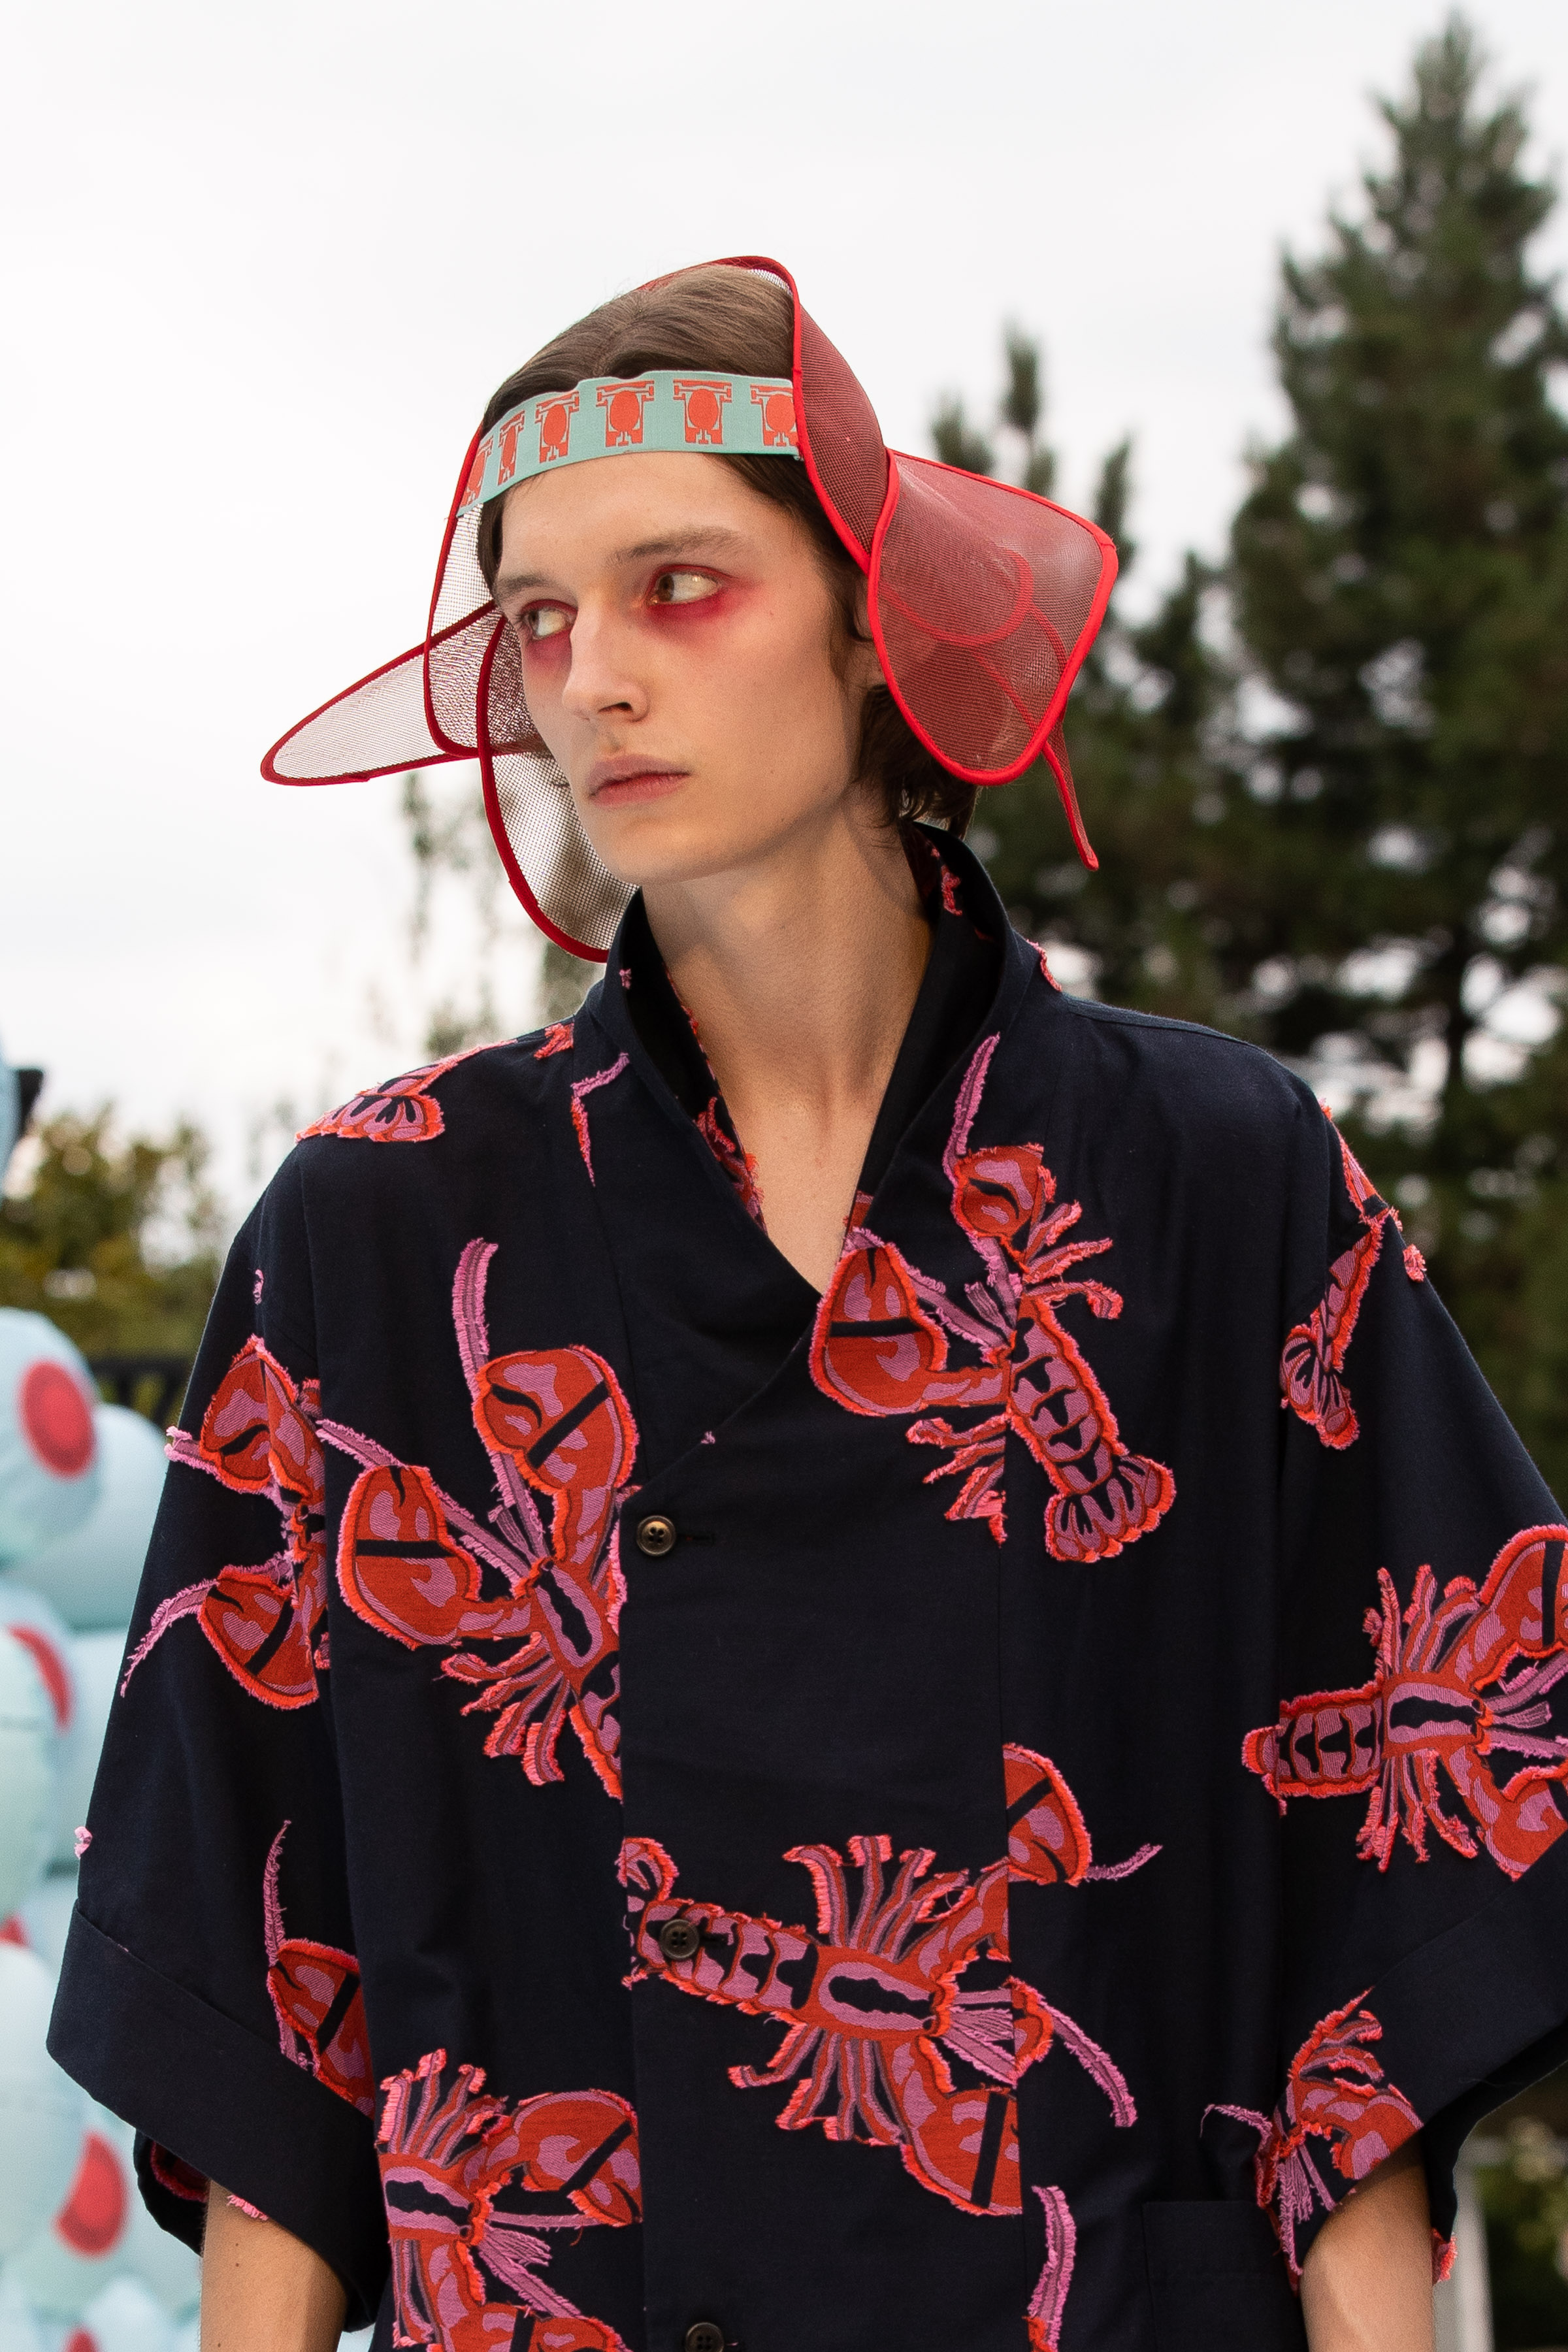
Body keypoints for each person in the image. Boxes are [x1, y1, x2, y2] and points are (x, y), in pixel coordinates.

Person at [48, 258, 1568, 2352]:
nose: (591, 682)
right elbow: (266, 2019)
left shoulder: (1221, 1181)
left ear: (870, 620)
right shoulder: (381, 1228)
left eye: (679, 588)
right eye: (540, 620)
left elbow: (1377, 1976)